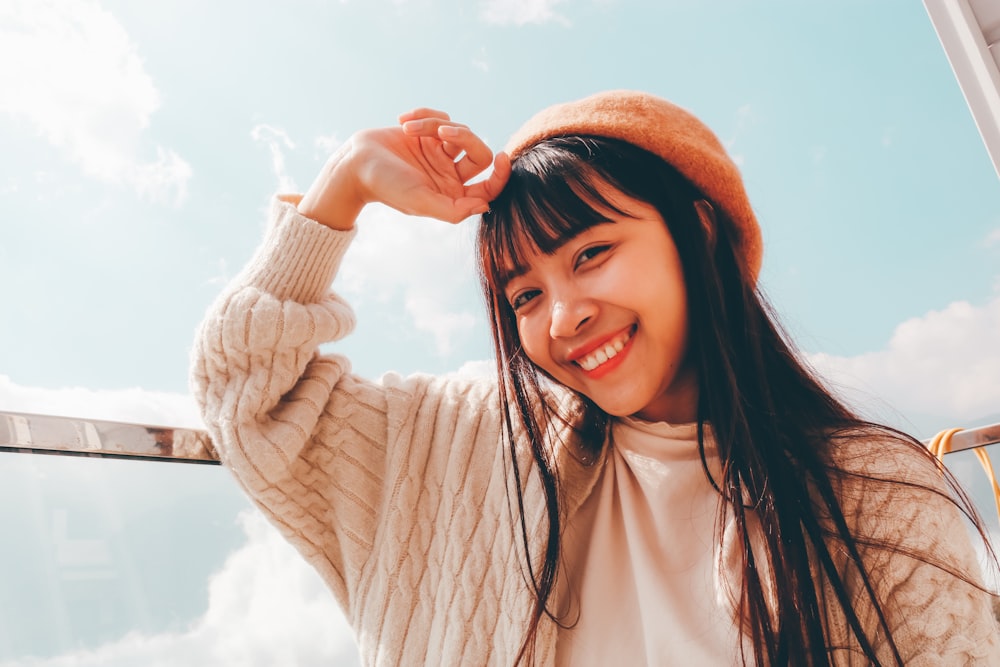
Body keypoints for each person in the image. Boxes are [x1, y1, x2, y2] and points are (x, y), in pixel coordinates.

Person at [191, 90, 1000, 666]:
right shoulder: (471, 446)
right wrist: (346, 183)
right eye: (525, 294)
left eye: (591, 253)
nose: (563, 315)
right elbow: (251, 397)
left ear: (698, 230)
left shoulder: (875, 491)